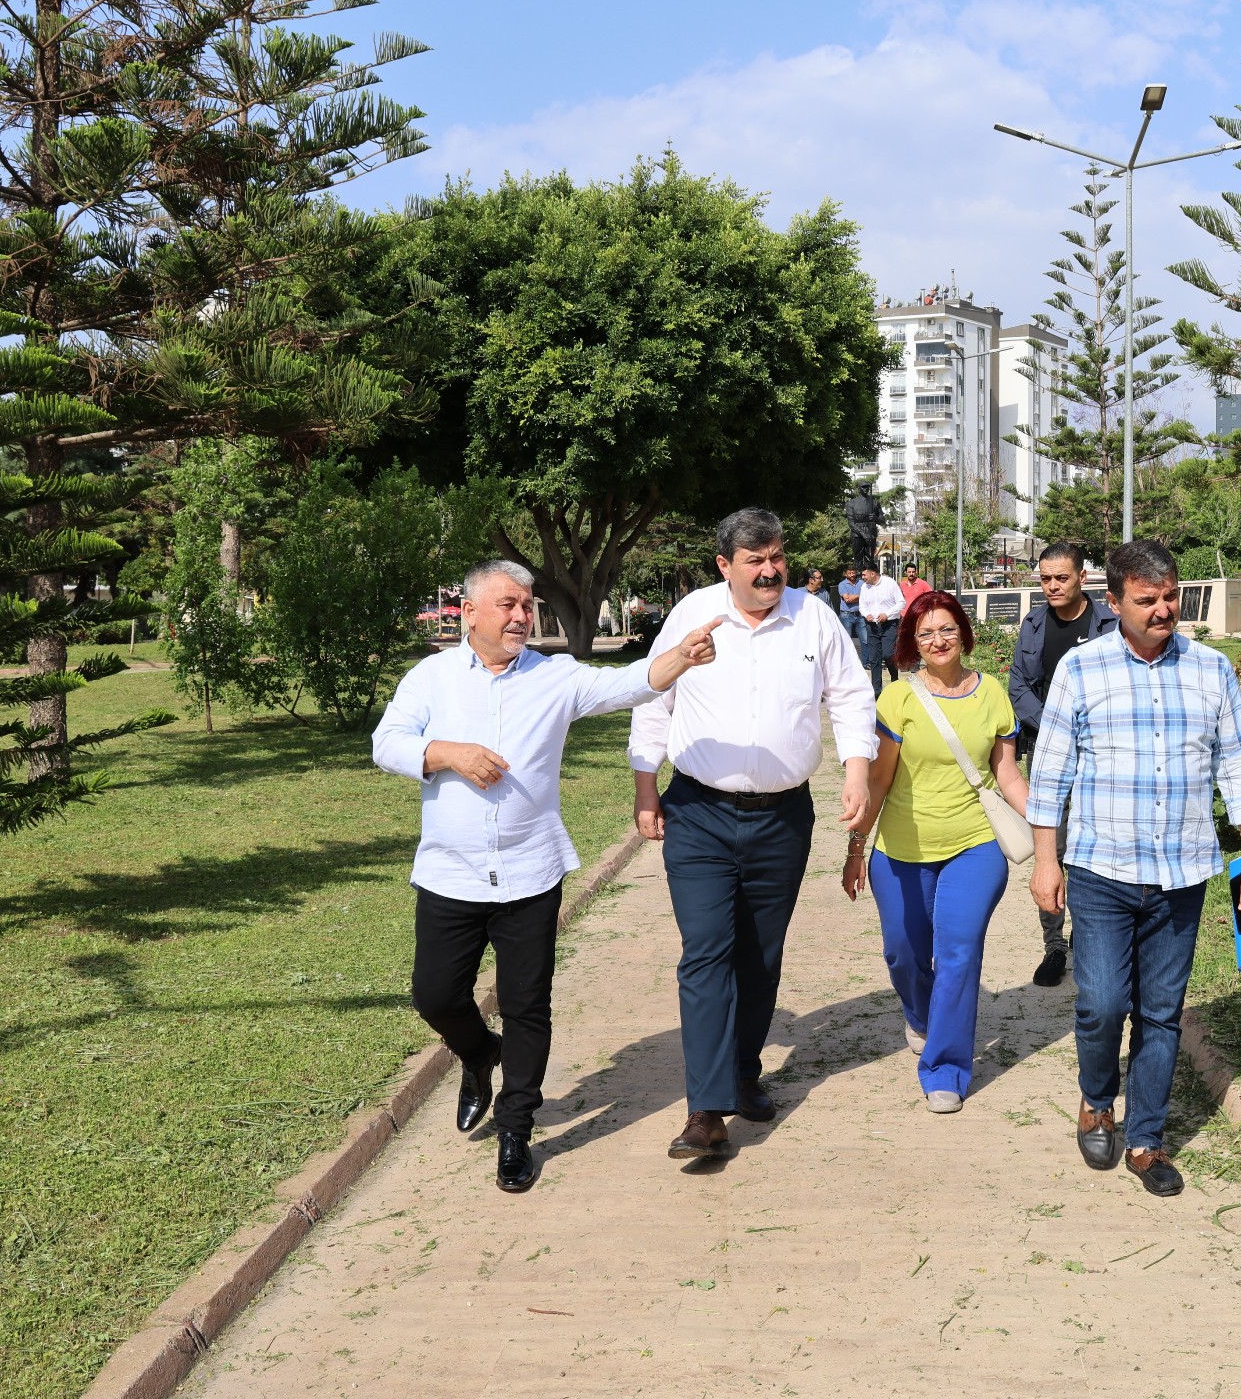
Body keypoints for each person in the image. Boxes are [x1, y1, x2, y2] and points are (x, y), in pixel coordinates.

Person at [373, 560, 722, 1194]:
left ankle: (516, 1130)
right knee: (435, 995)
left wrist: (682, 657)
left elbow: (631, 684)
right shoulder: (432, 677)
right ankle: (480, 1055)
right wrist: (447, 753)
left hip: (531, 870)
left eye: (527, 605)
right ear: (469, 612)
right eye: (507, 604)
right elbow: (386, 742)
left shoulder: (554, 677)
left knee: (527, 1005)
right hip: (451, 872)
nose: (520, 616)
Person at [1025, 540, 1241, 1198]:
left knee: (1161, 1012)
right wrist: (1044, 861)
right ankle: (1096, 1098)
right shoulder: (1081, 670)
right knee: (1103, 1003)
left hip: (1183, 872)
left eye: (1170, 597)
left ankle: (1146, 1139)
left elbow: (1237, 767)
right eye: (1147, 600)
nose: (1163, 610)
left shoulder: (1210, 669)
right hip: (1100, 869)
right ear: (1114, 603)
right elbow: (1050, 774)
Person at [630, 509, 877, 1163]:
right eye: (754, 560)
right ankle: (705, 1110)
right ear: (724, 565)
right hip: (699, 814)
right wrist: (644, 787)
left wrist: (856, 774)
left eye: (776, 557)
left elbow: (852, 697)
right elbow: (655, 699)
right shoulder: (692, 615)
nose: (769, 571)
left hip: (781, 818)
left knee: (759, 955)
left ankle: (741, 1071)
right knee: (706, 950)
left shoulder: (813, 617)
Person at [844, 591, 1029, 1113]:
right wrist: (857, 848)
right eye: (925, 634)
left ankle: (945, 1067)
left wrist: (1046, 826)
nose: (937, 641)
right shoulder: (897, 700)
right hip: (900, 849)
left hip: (975, 845)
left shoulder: (991, 693)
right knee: (903, 953)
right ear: (912, 643)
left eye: (946, 630)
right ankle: (922, 1017)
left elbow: (1007, 774)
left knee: (958, 951)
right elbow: (878, 781)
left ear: (963, 634)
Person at [1006, 541, 1117, 988]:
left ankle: (1088, 939)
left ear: (1081, 578)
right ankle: (1054, 947)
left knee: (1093, 849)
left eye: (1061, 578)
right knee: (1050, 848)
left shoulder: (1109, 624)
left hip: (1102, 753)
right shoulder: (1034, 624)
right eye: (1045, 578)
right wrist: (1054, 726)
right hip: (1049, 751)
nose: (1052, 586)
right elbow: (1018, 688)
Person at [856, 560, 906, 693]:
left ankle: (894, 679)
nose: (862, 577)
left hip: (889, 624)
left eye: (864, 575)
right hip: (871, 625)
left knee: (888, 654)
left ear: (873, 573)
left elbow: (901, 603)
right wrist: (867, 614)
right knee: (874, 658)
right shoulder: (864, 587)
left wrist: (887, 614)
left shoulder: (889, 583)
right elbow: (862, 606)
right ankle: (876, 691)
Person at [836, 565, 865, 650]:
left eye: (853, 572)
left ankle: (866, 663)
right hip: (847, 615)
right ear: (845, 574)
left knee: (865, 640)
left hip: (860, 615)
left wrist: (855, 597)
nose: (852, 575)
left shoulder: (862, 583)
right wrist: (861, 596)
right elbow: (847, 599)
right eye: (850, 573)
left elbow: (867, 596)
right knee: (846, 640)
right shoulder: (842, 585)